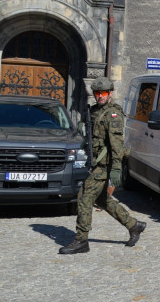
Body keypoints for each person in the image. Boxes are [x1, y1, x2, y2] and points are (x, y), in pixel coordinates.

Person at [59, 76, 145, 254]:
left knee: (84, 197)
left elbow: (117, 145)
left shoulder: (113, 115)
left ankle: (81, 240)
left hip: (104, 165)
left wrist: (116, 169)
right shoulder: (94, 112)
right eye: (97, 93)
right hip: (95, 162)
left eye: (103, 93)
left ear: (110, 93)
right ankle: (133, 225)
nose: (100, 96)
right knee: (102, 200)